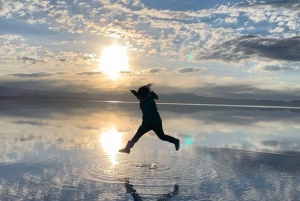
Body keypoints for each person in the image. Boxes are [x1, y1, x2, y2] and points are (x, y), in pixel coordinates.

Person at [119, 84, 180, 154]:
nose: (139, 96)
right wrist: (135, 93)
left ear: (143, 94)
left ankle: (127, 148)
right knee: (161, 136)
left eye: (140, 94)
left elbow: (146, 115)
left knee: (138, 135)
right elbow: (140, 98)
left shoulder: (146, 102)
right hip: (156, 121)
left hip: (151, 122)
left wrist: (143, 126)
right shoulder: (147, 98)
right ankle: (175, 141)